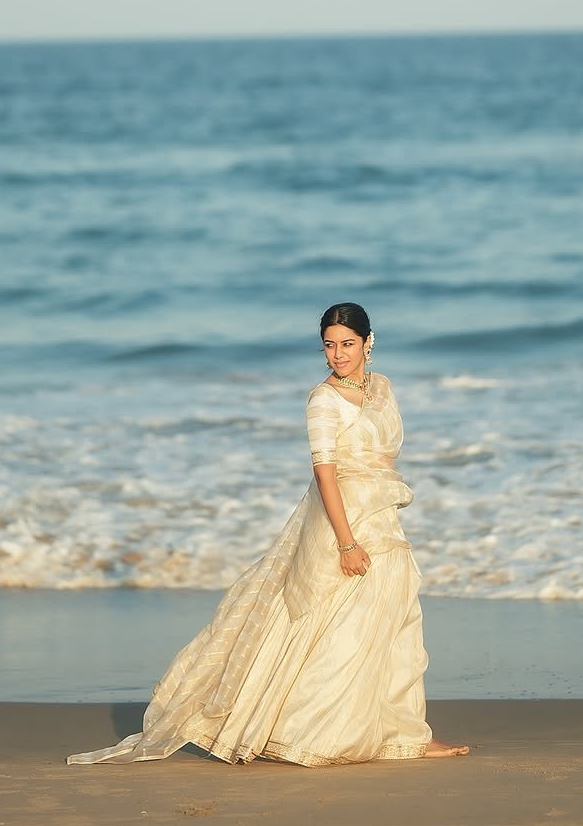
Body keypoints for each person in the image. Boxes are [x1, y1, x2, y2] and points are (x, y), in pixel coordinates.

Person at [67, 302, 468, 766]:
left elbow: (386, 454)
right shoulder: (322, 400)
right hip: (346, 520)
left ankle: (406, 734)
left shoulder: (384, 390)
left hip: (384, 514)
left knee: (396, 624)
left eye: (348, 344)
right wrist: (345, 542)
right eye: (330, 345)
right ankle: (310, 730)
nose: (338, 354)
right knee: (341, 629)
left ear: (368, 342)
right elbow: (325, 474)